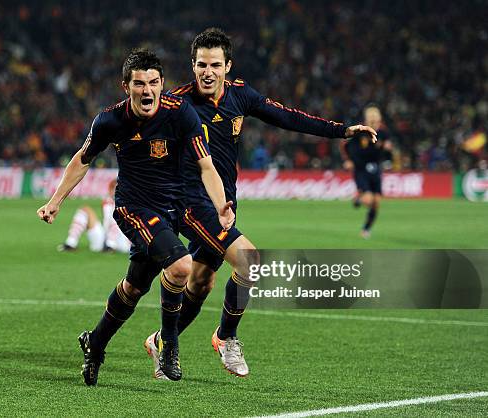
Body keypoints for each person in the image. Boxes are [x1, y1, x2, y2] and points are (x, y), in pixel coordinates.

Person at [144, 28, 377, 378]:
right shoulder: (177, 105)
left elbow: (289, 117)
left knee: (201, 282)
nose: (208, 71)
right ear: (192, 66)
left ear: (228, 66)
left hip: (224, 204)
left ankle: (162, 340)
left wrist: (342, 130)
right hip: (191, 205)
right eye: (201, 64)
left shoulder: (241, 96)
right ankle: (226, 337)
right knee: (249, 261)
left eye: (215, 65)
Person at [37, 49, 234, 385]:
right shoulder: (110, 120)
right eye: (139, 83)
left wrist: (220, 204)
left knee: (133, 287)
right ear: (125, 85)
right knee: (182, 266)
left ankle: (95, 343)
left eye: (154, 83)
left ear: (161, 84)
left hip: (172, 210)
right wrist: (56, 200)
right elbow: (83, 160)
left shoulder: (181, 113)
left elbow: (205, 165)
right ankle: (168, 344)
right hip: (133, 208)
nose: (147, 91)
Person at [340, 105, 392, 239]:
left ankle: (366, 228)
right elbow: (345, 145)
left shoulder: (384, 133)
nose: (374, 121)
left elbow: (386, 150)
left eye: (376, 118)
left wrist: (387, 152)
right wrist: (349, 160)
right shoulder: (361, 131)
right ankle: (359, 198)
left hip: (375, 169)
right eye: (371, 118)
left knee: (376, 203)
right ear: (367, 119)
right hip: (361, 168)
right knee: (369, 200)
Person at [57, 180, 131, 254]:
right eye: (113, 188)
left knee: (116, 214)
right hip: (105, 237)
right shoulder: (108, 202)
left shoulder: (130, 202)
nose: (115, 191)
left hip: (124, 241)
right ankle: (71, 243)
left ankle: (110, 246)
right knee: (85, 210)